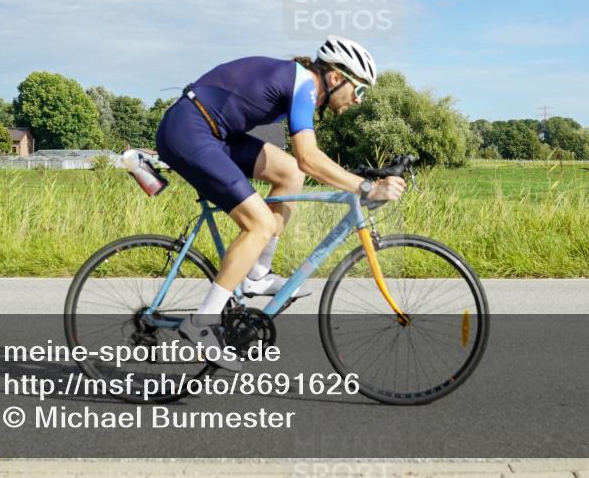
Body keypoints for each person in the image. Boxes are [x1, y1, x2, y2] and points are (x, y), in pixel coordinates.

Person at [155, 35, 406, 370]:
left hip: (214, 133)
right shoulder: (304, 83)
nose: (359, 101)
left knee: (287, 172)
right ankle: (201, 323)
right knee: (259, 223)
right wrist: (367, 188)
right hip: (189, 131)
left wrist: (359, 183)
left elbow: (299, 164)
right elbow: (310, 158)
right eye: (359, 90)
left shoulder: (302, 83)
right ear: (335, 78)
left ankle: (256, 274)